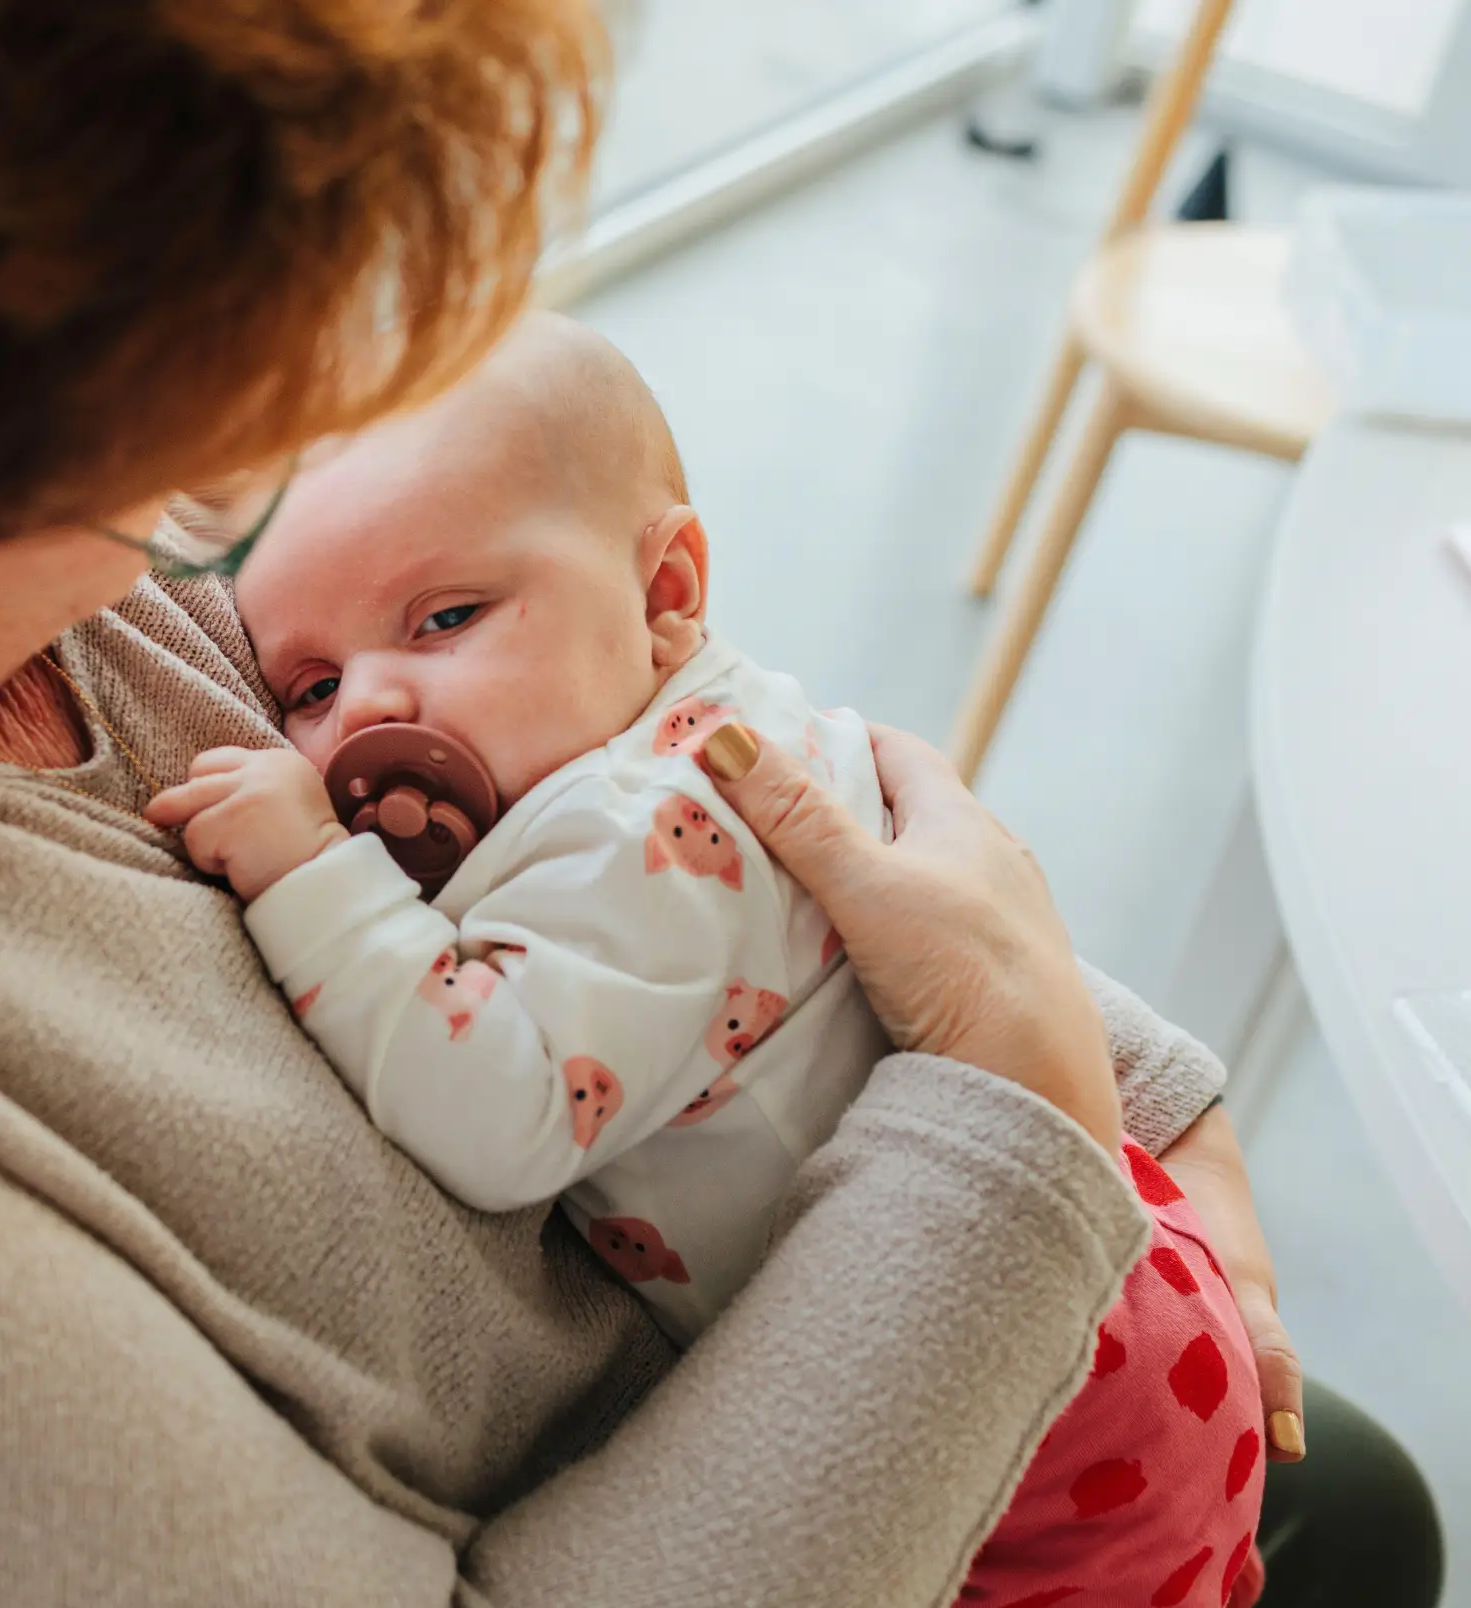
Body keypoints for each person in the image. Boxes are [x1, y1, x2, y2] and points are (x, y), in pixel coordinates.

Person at [0, 2, 1438, 1605]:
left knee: (1372, 1510)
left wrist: (1106, 1061)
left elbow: (626, 818)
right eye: (181, 478)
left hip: (823, 1337)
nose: (207, 565)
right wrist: (1016, 1121)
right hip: (850, 1420)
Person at [156, 312, 1267, 1603]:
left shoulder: (643, 840)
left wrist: (313, 878)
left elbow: (500, 1109)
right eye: (306, 689)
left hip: (1046, 1401)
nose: (371, 712)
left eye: (447, 616)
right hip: (1110, 1293)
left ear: (666, 593)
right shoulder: (700, 728)